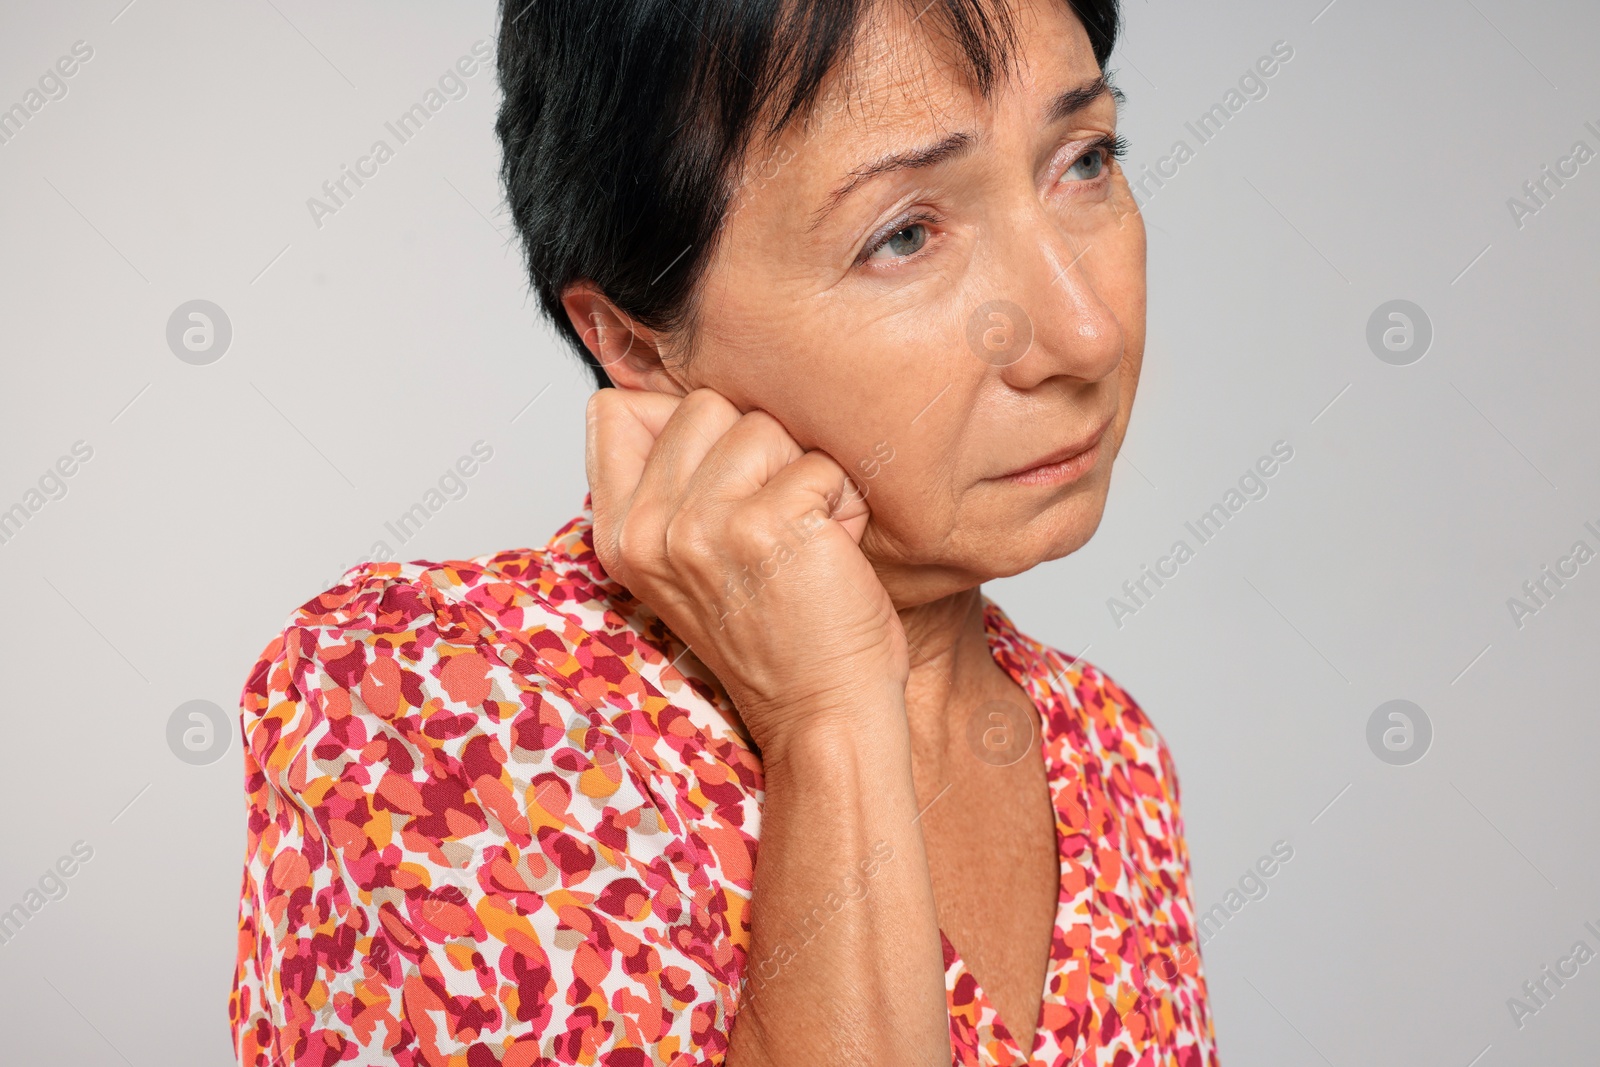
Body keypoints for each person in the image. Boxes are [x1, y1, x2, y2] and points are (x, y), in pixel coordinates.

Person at [230, 0, 1219, 1063]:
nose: (1083, 331)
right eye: (904, 235)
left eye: (1084, 160)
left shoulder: (1107, 751)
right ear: (636, 344)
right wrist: (829, 718)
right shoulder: (435, 708)